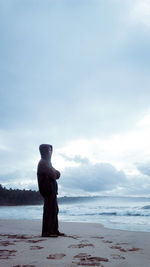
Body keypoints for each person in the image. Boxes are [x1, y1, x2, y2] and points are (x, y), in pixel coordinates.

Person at [37, 144, 64, 237]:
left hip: (52, 190)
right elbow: (53, 174)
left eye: (51, 151)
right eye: (49, 150)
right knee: (49, 211)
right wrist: (54, 173)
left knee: (54, 210)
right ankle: (46, 232)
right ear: (43, 151)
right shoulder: (43, 163)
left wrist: (55, 173)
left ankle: (54, 230)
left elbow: (58, 174)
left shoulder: (48, 163)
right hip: (47, 190)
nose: (50, 153)